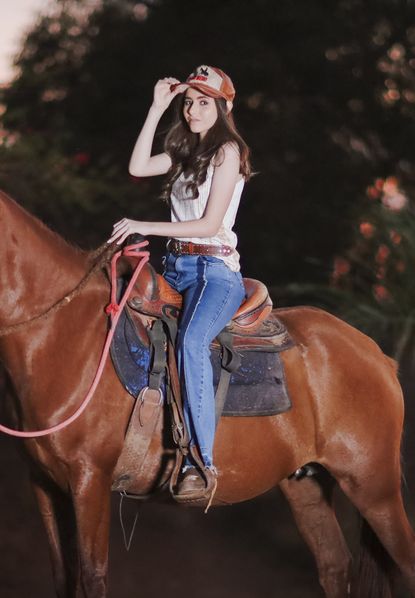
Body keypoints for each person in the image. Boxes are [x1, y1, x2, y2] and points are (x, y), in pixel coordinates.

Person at [108, 65, 253, 501]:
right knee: (118, 314)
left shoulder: (227, 151)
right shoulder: (185, 152)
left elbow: (209, 223)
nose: (193, 109)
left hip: (215, 272)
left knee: (191, 343)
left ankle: (199, 462)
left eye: (203, 101)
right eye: (189, 101)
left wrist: (142, 224)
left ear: (223, 107)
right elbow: (136, 165)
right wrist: (157, 108)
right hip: (176, 269)